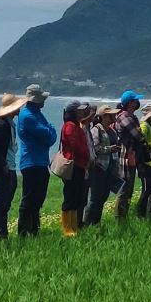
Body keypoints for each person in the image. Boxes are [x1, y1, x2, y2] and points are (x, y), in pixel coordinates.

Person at [15, 84, 57, 236]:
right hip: (32, 162)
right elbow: (49, 134)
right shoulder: (28, 116)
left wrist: (50, 131)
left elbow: (49, 134)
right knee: (29, 198)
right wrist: (51, 129)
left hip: (39, 161)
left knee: (38, 198)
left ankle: (33, 229)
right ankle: (24, 231)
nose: (43, 101)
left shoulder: (35, 114)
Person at [0, 93, 26, 238]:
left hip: (9, 167)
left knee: (5, 203)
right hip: (3, 169)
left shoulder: (8, 124)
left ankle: (2, 232)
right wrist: (2, 163)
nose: (19, 109)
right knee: (0, 203)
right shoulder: (1, 125)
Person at [112, 91, 148, 218]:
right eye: (134, 101)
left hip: (132, 155)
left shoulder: (131, 117)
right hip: (126, 156)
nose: (137, 103)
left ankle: (124, 214)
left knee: (129, 188)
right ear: (129, 103)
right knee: (125, 187)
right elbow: (138, 135)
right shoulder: (124, 117)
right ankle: (120, 216)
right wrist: (140, 133)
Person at [59, 101, 92, 236]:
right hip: (74, 165)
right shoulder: (70, 126)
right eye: (79, 110)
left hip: (79, 165)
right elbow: (76, 147)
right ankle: (67, 228)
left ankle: (73, 225)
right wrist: (87, 157)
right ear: (73, 112)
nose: (81, 112)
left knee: (76, 196)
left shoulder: (75, 125)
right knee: (70, 196)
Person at [85, 105, 122, 225]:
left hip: (109, 168)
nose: (114, 116)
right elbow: (95, 148)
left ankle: (96, 222)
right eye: (112, 115)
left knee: (103, 196)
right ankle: (88, 222)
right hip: (99, 167)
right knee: (95, 197)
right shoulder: (96, 130)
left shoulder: (111, 130)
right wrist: (109, 149)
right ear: (104, 116)